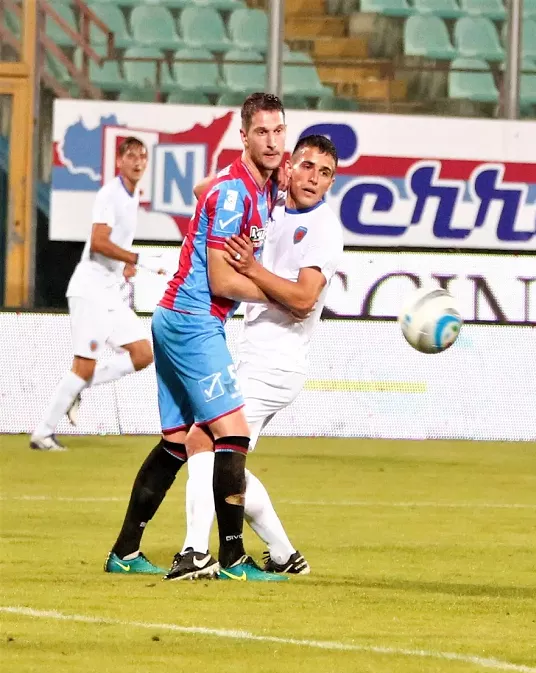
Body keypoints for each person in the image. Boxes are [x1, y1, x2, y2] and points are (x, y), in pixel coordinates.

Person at [104, 93, 287, 580]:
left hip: (175, 317)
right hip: (193, 320)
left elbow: (200, 187)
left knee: (176, 441)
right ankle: (230, 558)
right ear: (244, 136)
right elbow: (222, 281)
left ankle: (125, 551)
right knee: (233, 433)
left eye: (278, 131)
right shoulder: (235, 194)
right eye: (262, 132)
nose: (272, 141)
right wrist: (281, 295)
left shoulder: (255, 185)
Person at [166, 134, 343, 580]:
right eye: (306, 166)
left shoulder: (323, 229)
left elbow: (304, 299)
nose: (313, 179)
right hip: (254, 354)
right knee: (229, 463)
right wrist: (252, 170)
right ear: (289, 166)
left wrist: (253, 269)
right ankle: (284, 554)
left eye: (324, 173)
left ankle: (194, 552)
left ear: (331, 183)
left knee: (201, 440)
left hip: (278, 363)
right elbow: (203, 191)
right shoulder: (269, 202)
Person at [31, 138, 160, 451]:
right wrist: (137, 258)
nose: (138, 162)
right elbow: (99, 241)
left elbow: (112, 245)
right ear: (119, 161)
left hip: (110, 291)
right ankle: (42, 433)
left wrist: (123, 265)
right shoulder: (110, 194)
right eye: (131, 156)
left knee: (143, 354)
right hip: (89, 290)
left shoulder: (132, 195)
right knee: (84, 365)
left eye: (142, 156)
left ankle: (77, 387)